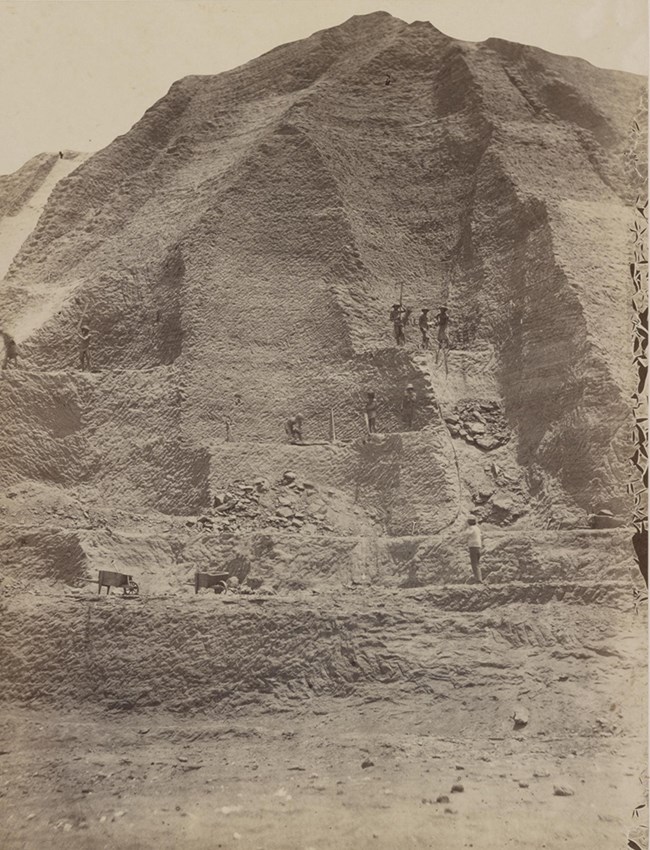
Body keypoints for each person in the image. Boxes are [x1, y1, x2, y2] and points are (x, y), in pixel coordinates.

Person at [466, 517, 483, 583]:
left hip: (473, 547)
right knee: (477, 563)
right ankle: (479, 578)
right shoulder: (477, 528)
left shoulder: (471, 528)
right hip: (478, 546)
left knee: (474, 563)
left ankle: (478, 580)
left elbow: (466, 534)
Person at [435, 306, 450, 373]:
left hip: (444, 326)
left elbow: (445, 321)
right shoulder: (439, 314)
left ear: (444, 310)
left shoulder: (446, 315)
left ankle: (447, 345)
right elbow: (436, 317)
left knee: (444, 335)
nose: (441, 310)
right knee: (439, 335)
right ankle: (440, 345)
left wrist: (440, 323)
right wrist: (436, 321)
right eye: (440, 309)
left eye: (442, 310)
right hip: (441, 326)